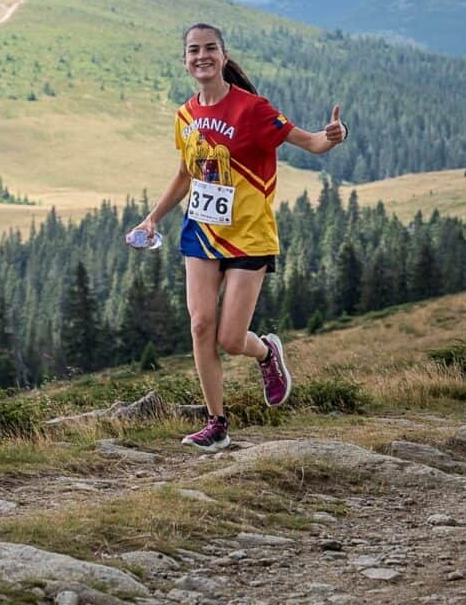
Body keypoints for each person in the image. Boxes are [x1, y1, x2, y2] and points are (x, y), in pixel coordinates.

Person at [131, 23, 347, 451]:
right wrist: (152, 218)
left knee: (231, 340)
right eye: (194, 50)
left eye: (210, 48)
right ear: (185, 60)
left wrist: (333, 137)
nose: (202, 56)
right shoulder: (186, 116)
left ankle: (266, 352)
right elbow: (184, 175)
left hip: (249, 235)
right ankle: (217, 423)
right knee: (199, 325)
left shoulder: (253, 109)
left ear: (224, 56)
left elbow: (310, 142)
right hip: (202, 232)